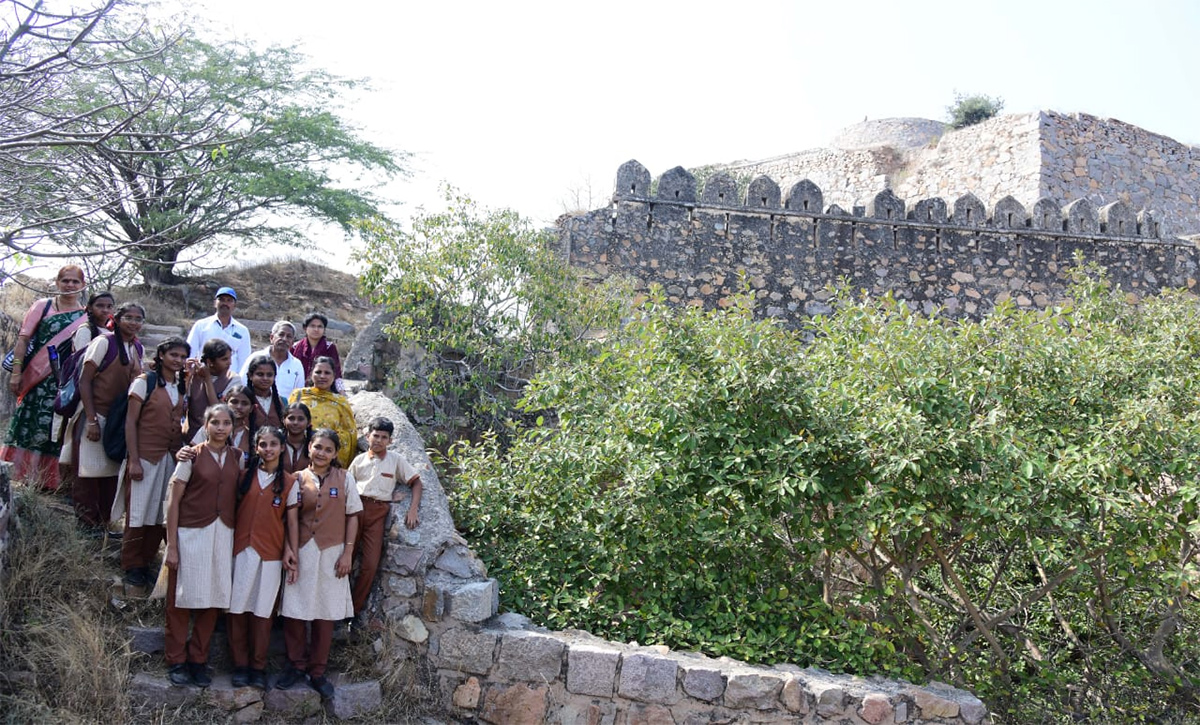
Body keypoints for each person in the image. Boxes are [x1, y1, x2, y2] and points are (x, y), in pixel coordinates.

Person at [277, 428, 361, 700]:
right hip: (303, 550)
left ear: (335, 453)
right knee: (295, 610)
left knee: (325, 612)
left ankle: (317, 671)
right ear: (309, 448)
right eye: (317, 447)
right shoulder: (297, 479)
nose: (322, 453)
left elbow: (353, 517)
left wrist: (347, 553)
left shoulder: (345, 479)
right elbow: (288, 518)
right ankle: (295, 665)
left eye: (328, 449)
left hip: (333, 552)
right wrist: (290, 549)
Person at [163, 403, 241, 688]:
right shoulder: (191, 456)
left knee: (213, 598)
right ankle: (176, 659)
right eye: (215, 422)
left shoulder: (238, 457)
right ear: (205, 426)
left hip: (223, 534)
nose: (220, 428)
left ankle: (198, 659)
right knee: (181, 598)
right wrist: (172, 545)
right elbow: (174, 500)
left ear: (233, 427)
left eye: (226, 423)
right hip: (191, 533)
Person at [1, 264, 89, 488]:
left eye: (75, 281)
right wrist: (17, 373)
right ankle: (18, 475)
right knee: (28, 424)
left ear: (83, 285)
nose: (69, 285)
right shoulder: (43, 306)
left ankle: (49, 482)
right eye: (65, 280)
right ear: (57, 283)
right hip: (36, 381)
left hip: (64, 384)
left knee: (56, 429)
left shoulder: (85, 316)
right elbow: (23, 340)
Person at [228, 426, 298, 690]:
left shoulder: (289, 483)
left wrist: (291, 549)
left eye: (273, 444)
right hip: (242, 551)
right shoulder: (244, 476)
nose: (268, 449)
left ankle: (257, 666)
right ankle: (240, 665)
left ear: (282, 448)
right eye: (262, 444)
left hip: (270, 553)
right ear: (256, 448)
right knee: (237, 609)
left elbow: (292, 522)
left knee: (262, 611)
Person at [63, 300, 143, 532]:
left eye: (138, 319)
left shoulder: (137, 349)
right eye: (129, 317)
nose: (134, 323)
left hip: (116, 422)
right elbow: (85, 380)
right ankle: (86, 529)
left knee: (109, 478)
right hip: (94, 415)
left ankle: (102, 527)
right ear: (116, 320)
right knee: (87, 476)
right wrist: (91, 420)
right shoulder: (103, 342)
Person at [119, 336, 189, 595]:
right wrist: (134, 460)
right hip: (146, 456)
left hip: (168, 457)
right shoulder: (144, 382)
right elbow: (131, 423)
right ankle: (132, 566)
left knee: (159, 512)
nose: (178, 361)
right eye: (174, 355)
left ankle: (146, 562)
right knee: (139, 512)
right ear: (161, 355)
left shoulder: (180, 386)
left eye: (182, 357)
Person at [348, 417, 422, 614]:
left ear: (390, 440)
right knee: (345, 559)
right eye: (375, 436)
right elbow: (346, 486)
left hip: (377, 514)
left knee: (370, 565)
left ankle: (352, 611)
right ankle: (335, 606)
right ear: (367, 436)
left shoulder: (395, 460)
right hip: (354, 512)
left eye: (384, 437)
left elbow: (416, 482)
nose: (379, 440)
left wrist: (412, 508)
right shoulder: (359, 461)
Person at [288, 357, 356, 468]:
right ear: (311, 374)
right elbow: (287, 420)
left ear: (334, 376)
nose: (322, 376)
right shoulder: (299, 395)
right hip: (296, 453)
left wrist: (325, 439)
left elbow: (349, 434)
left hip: (326, 457)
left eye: (327, 373)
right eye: (318, 372)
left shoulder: (340, 402)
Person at [185, 339, 242, 438]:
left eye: (229, 358)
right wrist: (187, 377)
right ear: (209, 361)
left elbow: (219, 410)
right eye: (224, 359)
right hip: (190, 436)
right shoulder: (195, 376)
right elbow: (182, 406)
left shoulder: (233, 379)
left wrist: (207, 380)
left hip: (216, 437)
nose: (230, 363)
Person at [186, 287, 251, 373]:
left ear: (234, 305)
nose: (225, 303)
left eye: (229, 300)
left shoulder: (242, 331)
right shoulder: (201, 325)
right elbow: (190, 352)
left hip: (229, 381)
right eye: (222, 300)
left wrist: (238, 382)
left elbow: (244, 360)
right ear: (215, 303)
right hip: (203, 376)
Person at [241, 321, 305, 402]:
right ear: (271, 337)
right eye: (281, 335)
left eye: (289, 336)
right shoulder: (255, 358)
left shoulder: (296, 365)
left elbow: (298, 395)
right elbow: (243, 383)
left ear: (292, 342)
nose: (284, 339)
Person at [291, 313, 342, 390]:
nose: (316, 329)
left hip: (323, 390)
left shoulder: (330, 347)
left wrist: (342, 391)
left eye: (320, 326)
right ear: (305, 328)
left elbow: (337, 371)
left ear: (324, 329)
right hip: (297, 389)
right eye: (312, 326)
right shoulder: (295, 347)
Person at [245, 355, 286, 432]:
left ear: (274, 377)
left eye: (269, 375)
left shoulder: (282, 402)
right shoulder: (243, 401)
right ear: (250, 376)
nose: (265, 378)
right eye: (260, 374)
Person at [281, 402, 313, 474]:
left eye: (300, 419)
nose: (295, 422)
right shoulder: (276, 443)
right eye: (291, 418)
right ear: (283, 420)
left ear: (308, 422)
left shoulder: (314, 446)